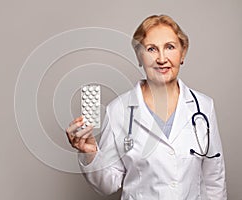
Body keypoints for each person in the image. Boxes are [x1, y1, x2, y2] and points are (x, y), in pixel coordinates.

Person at [66, 14, 227, 199]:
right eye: (151, 49)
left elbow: (214, 178)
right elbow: (107, 185)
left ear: (182, 53)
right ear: (139, 57)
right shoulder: (118, 110)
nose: (161, 58)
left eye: (170, 47)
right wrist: (90, 153)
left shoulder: (204, 107)